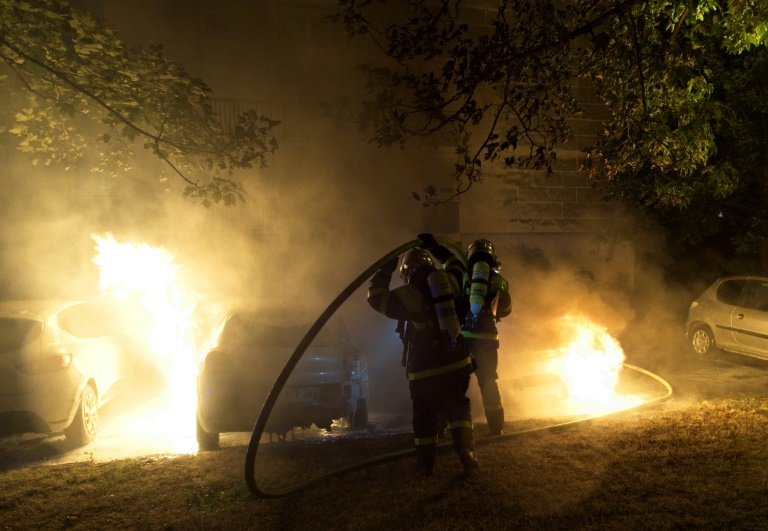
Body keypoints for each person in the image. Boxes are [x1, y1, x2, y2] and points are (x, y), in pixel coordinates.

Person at [367, 233, 478, 477]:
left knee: (424, 416)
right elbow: (458, 264)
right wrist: (436, 247)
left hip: (425, 369)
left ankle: (427, 465)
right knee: (459, 409)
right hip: (457, 361)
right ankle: (467, 454)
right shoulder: (449, 280)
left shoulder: (406, 294)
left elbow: (376, 297)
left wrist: (386, 267)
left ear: (406, 271)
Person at [461, 239, 512, 436]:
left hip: (463, 337)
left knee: (454, 383)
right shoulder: (500, 281)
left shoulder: (462, 276)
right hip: (488, 338)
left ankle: (446, 428)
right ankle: (496, 427)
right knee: (489, 381)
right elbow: (506, 310)